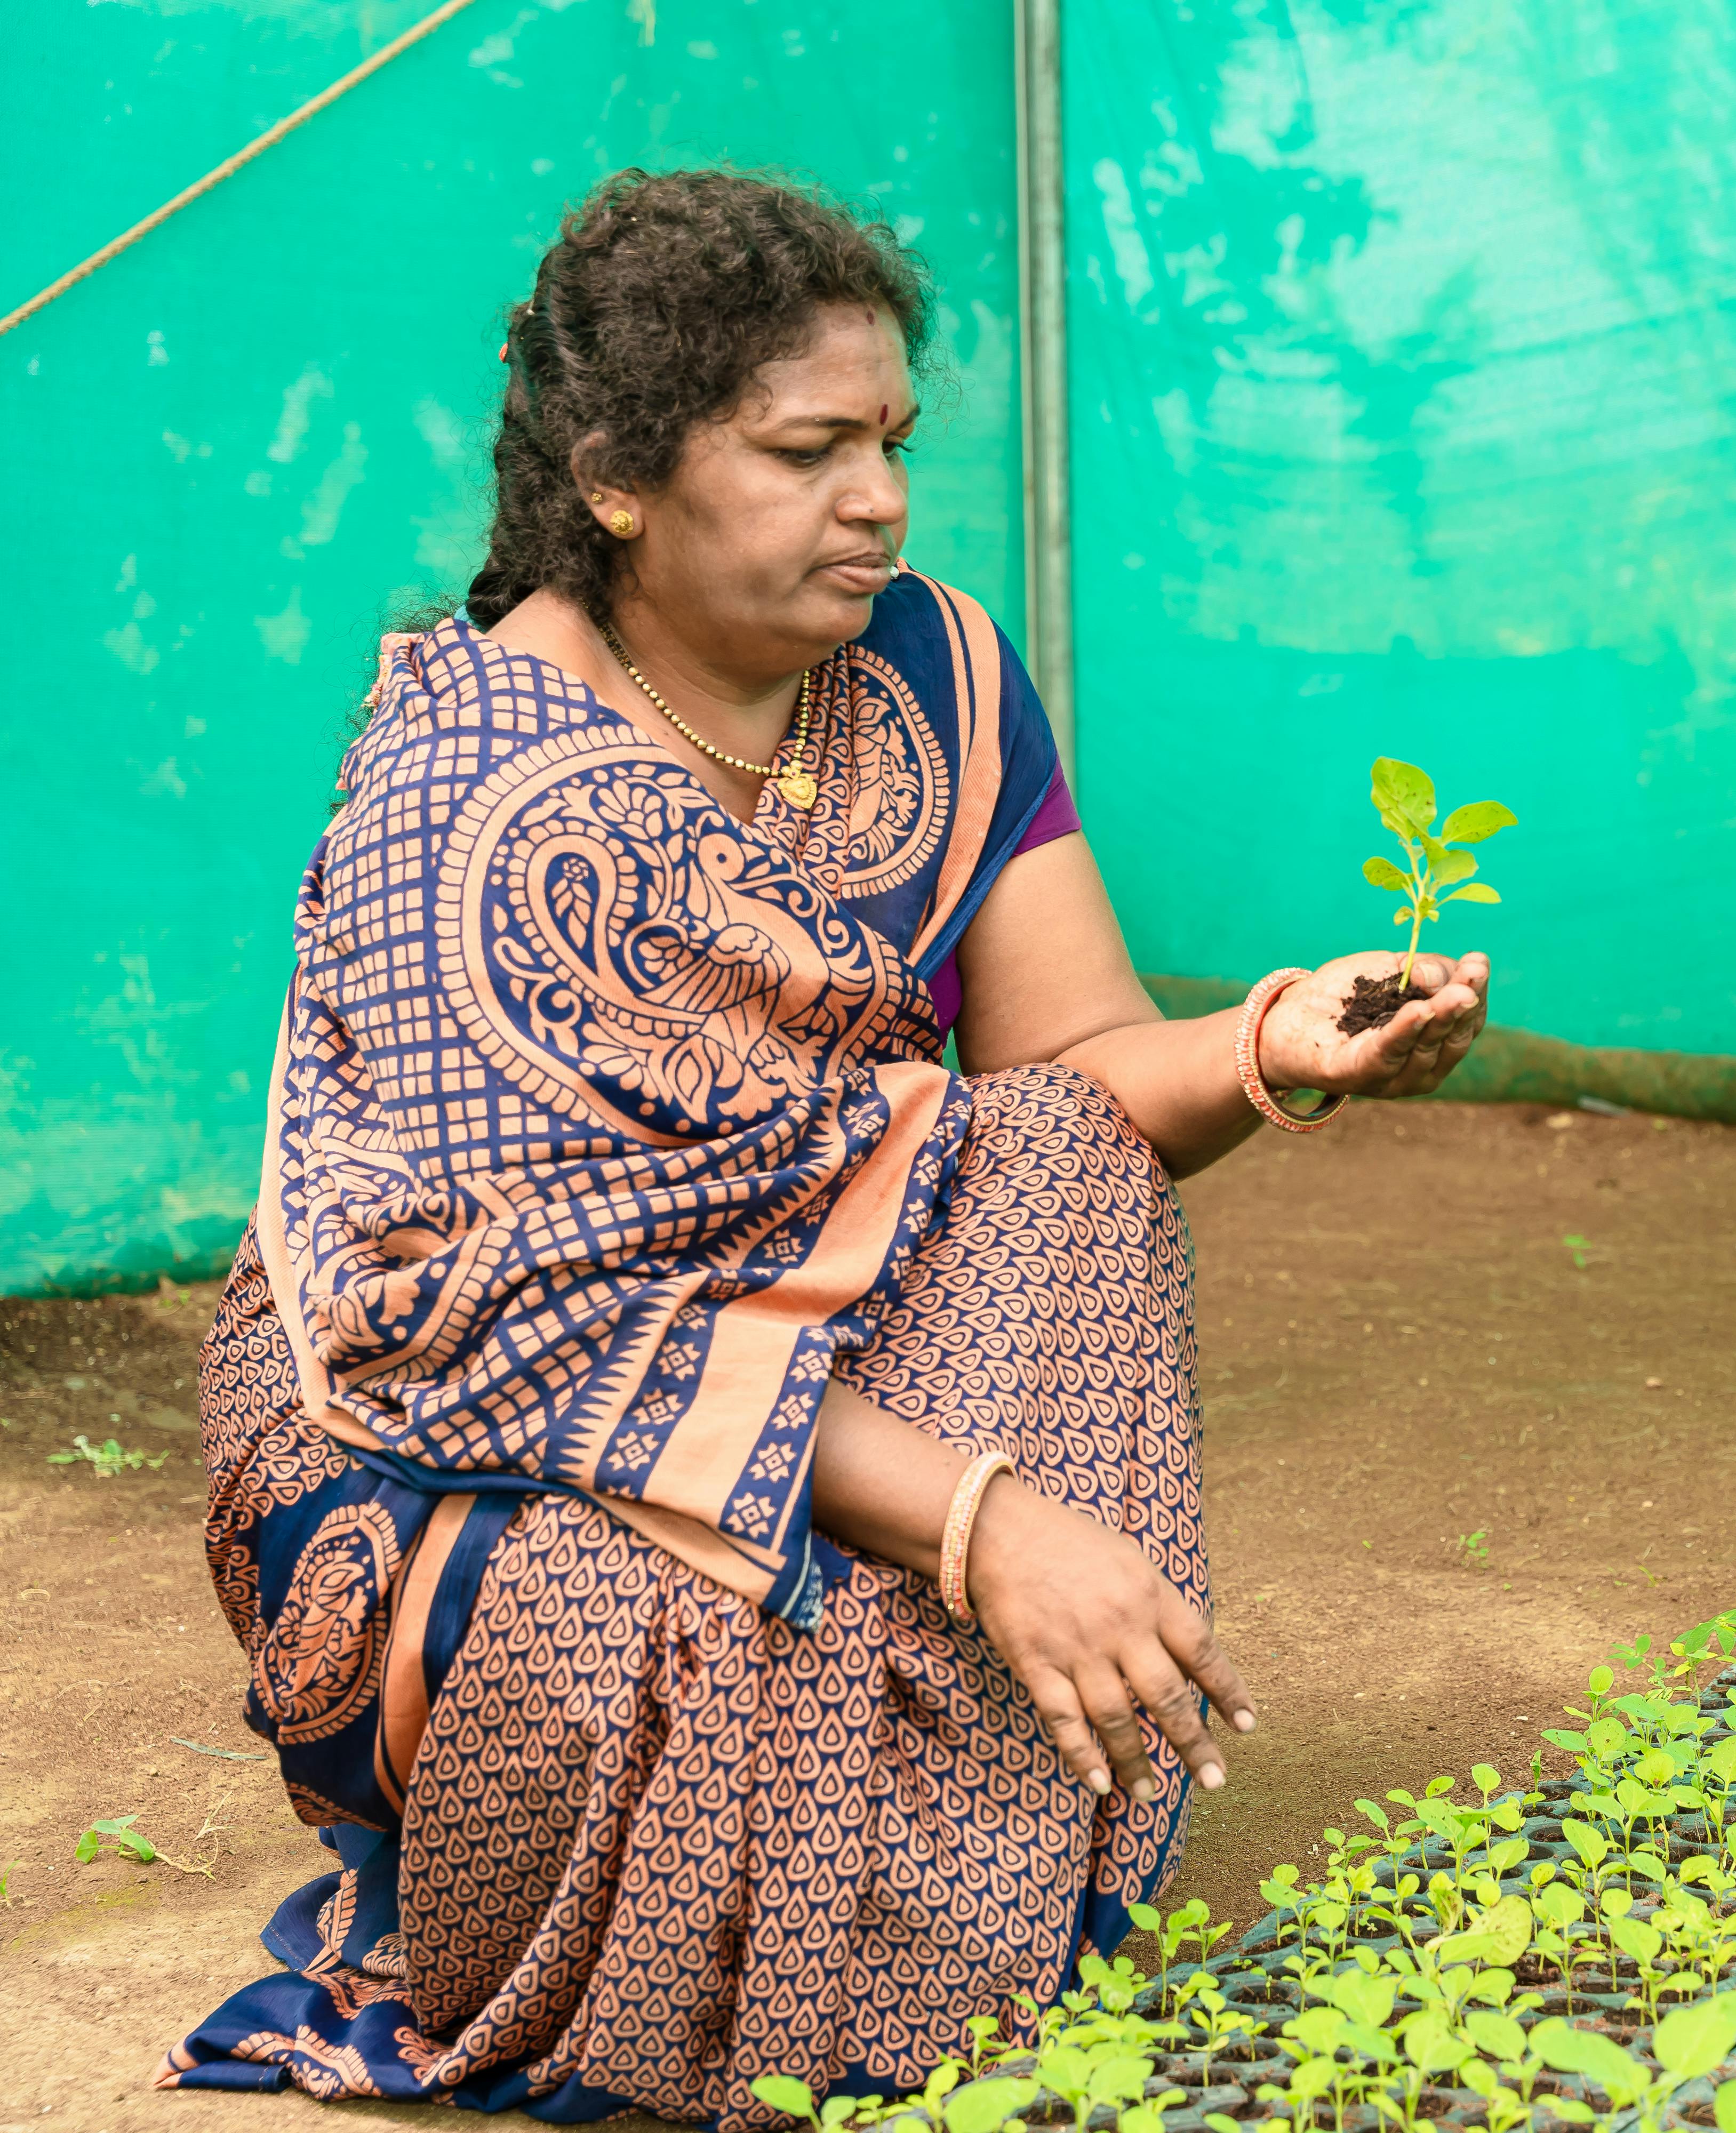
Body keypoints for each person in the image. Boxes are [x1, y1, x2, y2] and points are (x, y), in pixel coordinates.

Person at [159, 167, 1488, 2124]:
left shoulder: (929, 675)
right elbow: (521, 1330)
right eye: (807, 449)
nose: (877, 498)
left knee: (1060, 1174)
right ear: (617, 476)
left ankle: (923, 1877)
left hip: (801, 1344)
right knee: (679, 1637)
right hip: (447, 1438)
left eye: (893, 443)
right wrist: (983, 1526)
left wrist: (1268, 1043)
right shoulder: (474, 796)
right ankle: (707, 1918)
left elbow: (1072, 1085)